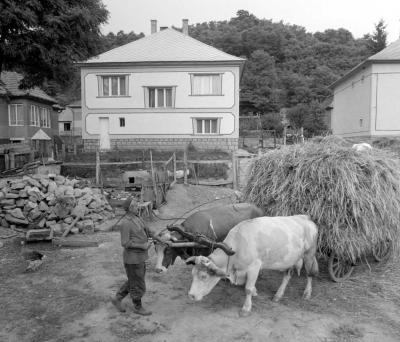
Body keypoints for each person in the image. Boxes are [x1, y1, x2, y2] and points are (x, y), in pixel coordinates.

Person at [111, 197, 154, 315]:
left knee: (134, 280)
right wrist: (142, 246)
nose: (138, 207)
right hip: (132, 259)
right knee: (138, 283)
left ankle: (117, 298)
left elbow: (147, 231)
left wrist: (157, 236)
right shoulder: (126, 223)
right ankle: (137, 307)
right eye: (135, 205)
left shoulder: (137, 218)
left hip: (140, 258)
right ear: (130, 209)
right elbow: (125, 243)